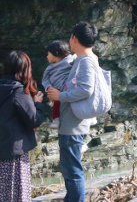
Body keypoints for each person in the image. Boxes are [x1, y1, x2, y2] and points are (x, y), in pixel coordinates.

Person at [45, 22, 101, 202]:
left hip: (73, 125)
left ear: (74, 39)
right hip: (71, 122)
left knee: (72, 170)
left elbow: (86, 89)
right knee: (69, 168)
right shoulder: (82, 59)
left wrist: (61, 96)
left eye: (70, 37)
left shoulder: (85, 61)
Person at [0, 51, 46, 201]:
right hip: (14, 155)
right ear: (24, 70)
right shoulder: (18, 92)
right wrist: (38, 104)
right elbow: (34, 119)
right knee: (17, 196)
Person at [41, 40, 75, 131]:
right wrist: (48, 87)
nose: (47, 56)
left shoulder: (71, 60)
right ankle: (56, 120)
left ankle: (90, 116)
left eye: (48, 53)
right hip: (55, 90)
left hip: (68, 89)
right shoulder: (50, 67)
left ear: (55, 53)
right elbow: (45, 79)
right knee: (56, 104)